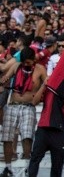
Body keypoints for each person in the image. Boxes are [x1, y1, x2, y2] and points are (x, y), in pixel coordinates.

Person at [0, 47, 46, 177]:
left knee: (27, 136)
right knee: (6, 137)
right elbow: (6, 77)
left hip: (28, 106)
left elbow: (47, 83)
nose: (26, 64)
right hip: (12, 105)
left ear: (33, 59)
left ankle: (27, 166)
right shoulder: (16, 66)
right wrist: (3, 81)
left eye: (28, 62)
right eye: (24, 62)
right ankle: (8, 168)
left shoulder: (40, 69)